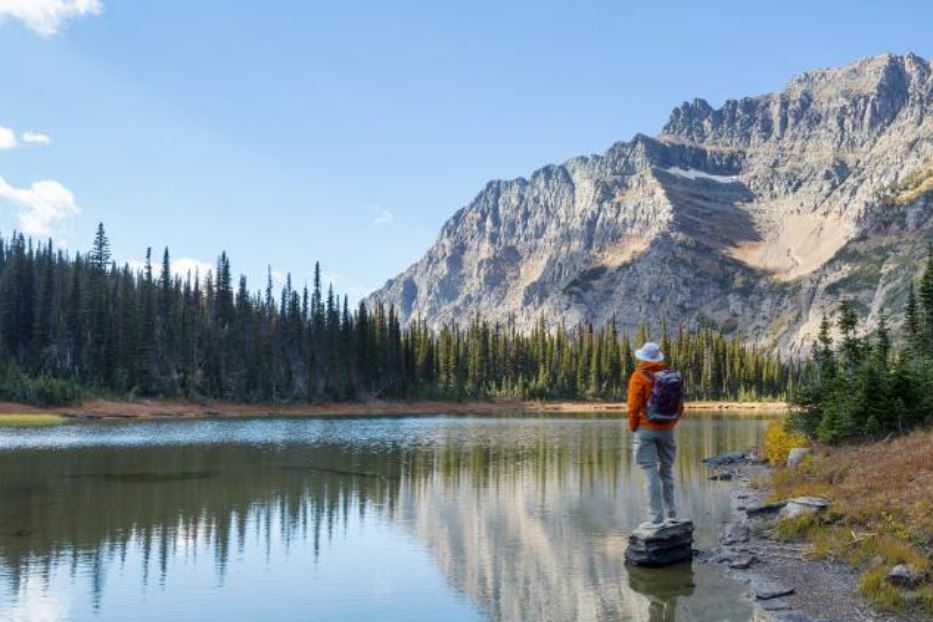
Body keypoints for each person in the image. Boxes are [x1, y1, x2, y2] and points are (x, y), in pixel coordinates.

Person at [627, 341, 684, 526]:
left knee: (650, 472)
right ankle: (672, 515)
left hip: (645, 428)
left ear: (643, 357)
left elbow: (633, 406)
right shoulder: (670, 376)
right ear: (658, 358)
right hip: (667, 429)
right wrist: (671, 423)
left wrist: (633, 426)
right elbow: (680, 406)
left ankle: (656, 519)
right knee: (666, 472)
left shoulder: (638, 377)